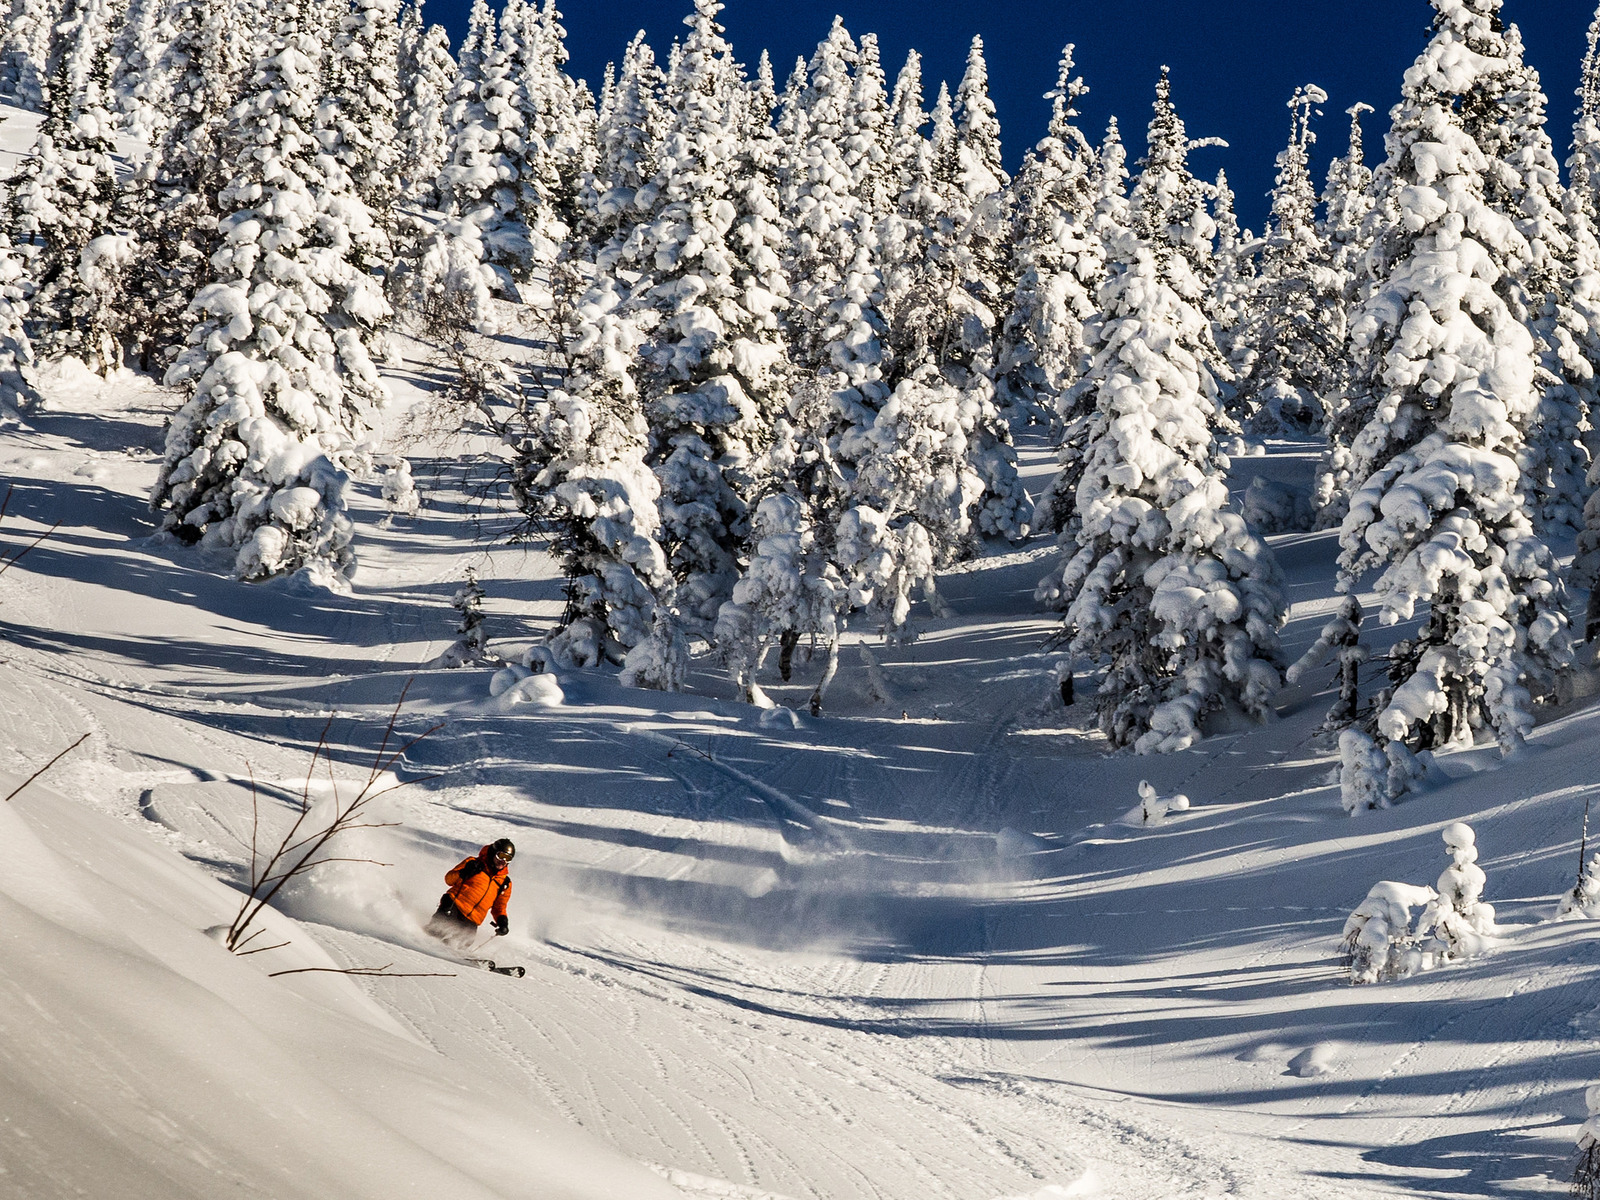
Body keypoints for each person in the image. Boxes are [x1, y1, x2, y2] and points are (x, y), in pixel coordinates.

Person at [428, 838, 515, 947]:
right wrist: (463, 872)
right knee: (436, 933)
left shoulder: (504, 883)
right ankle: (422, 940)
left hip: (473, 920)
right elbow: (449, 880)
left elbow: (499, 907)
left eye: (507, 858)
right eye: (501, 856)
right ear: (493, 853)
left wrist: (502, 922)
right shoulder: (473, 863)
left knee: (461, 944)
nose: (503, 861)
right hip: (453, 906)